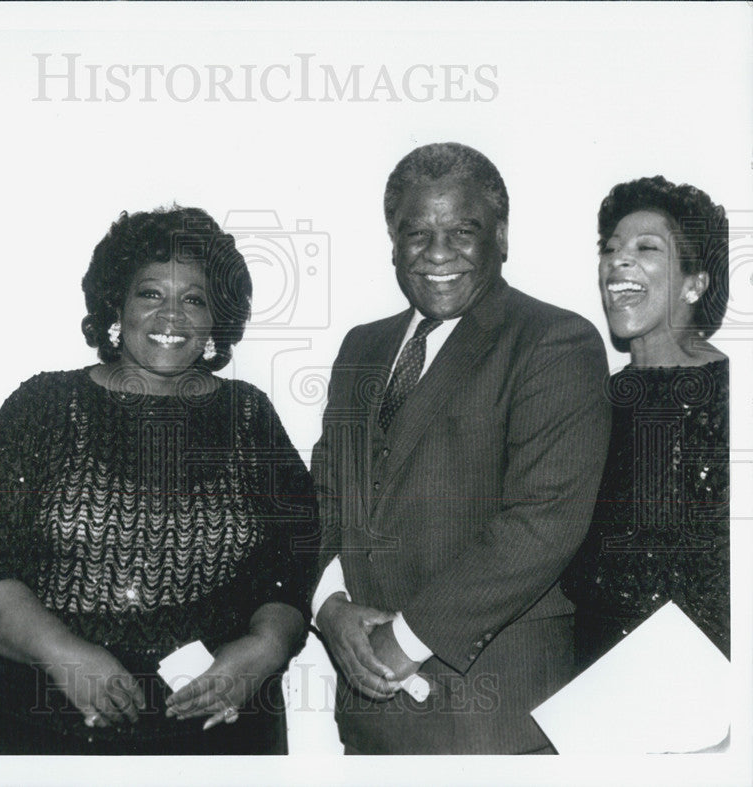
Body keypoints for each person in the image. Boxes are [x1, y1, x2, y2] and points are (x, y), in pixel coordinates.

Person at [0, 206, 318, 755]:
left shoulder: (249, 416)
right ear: (116, 306)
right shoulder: (46, 405)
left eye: (194, 299)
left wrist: (267, 648)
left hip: (215, 727)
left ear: (215, 321)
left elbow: (295, 557)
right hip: (43, 721)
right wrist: (61, 651)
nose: (171, 315)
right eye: (150, 294)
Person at [310, 142, 611, 754]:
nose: (438, 253)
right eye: (416, 233)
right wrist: (330, 606)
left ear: (501, 236)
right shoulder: (361, 349)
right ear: (392, 242)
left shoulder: (555, 341)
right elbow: (323, 496)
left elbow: (543, 521)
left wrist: (406, 640)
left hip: (492, 722)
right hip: (373, 721)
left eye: (462, 231)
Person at [563, 176, 730, 668]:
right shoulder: (599, 399)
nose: (619, 259)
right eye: (611, 248)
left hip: (696, 689)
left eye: (647, 247)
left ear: (694, 283)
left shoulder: (732, 399)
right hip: (590, 677)